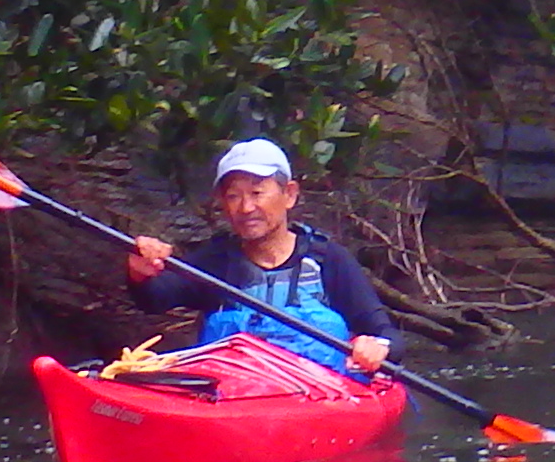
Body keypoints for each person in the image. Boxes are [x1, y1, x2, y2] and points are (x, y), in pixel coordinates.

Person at [125, 139, 395, 378]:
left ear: (289, 194)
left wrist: (376, 348)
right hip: (234, 399)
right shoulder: (217, 261)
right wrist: (140, 272)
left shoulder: (328, 261)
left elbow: (388, 336)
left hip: (318, 401)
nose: (245, 207)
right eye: (233, 196)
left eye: (256, 193)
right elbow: (156, 297)